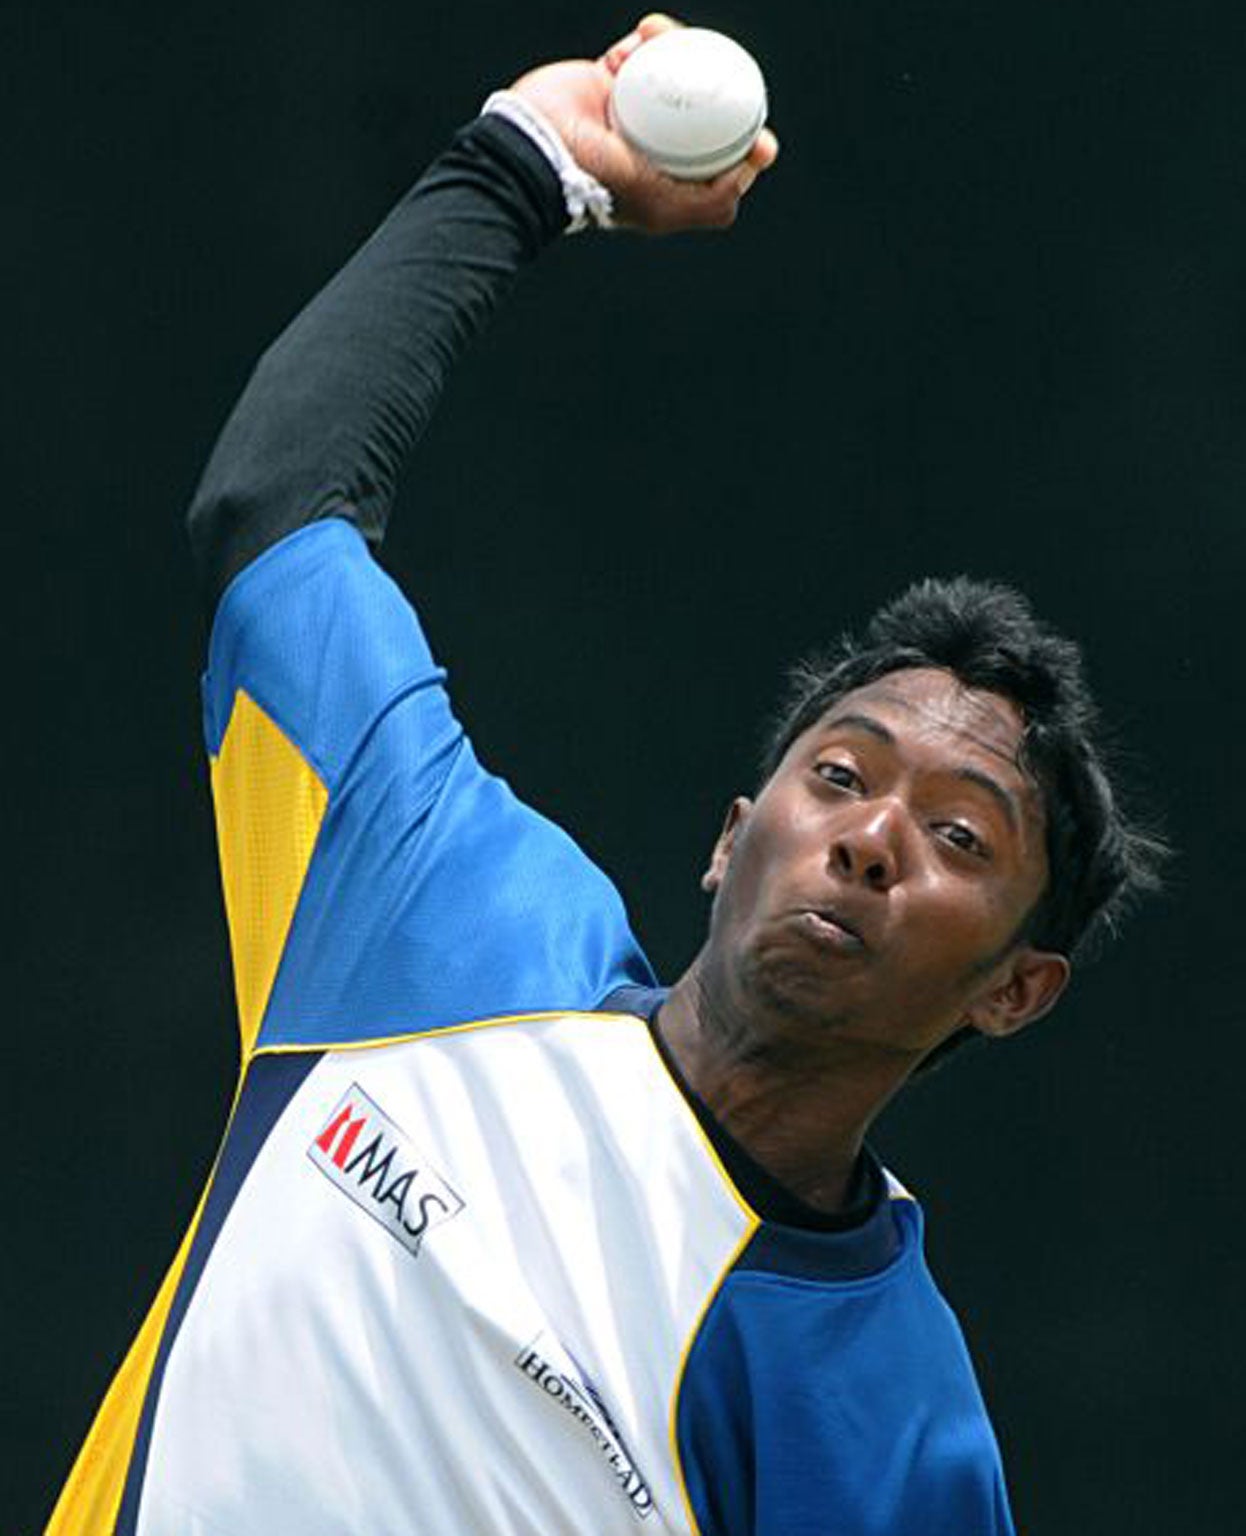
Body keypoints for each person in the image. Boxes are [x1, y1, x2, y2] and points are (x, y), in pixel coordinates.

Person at [47, 15, 1161, 1536]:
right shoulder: (445, 914)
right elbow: (277, 507)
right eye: (838, 774)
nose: (870, 838)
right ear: (729, 837)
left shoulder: (888, 1422)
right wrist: (520, 162)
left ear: (1012, 989)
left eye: (957, 837)